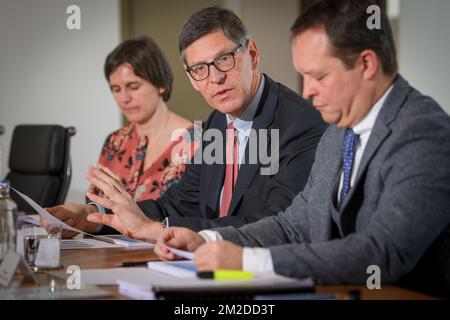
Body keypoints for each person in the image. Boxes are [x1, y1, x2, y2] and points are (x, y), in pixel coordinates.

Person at [154, 0, 450, 297]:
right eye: (304, 76)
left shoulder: (423, 132)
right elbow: (294, 225)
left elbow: (382, 252)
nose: (307, 90)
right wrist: (208, 239)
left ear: (366, 65)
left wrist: (249, 260)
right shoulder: (339, 131)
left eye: (319, 76)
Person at [44, 7, 326, 242]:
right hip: (205, 267)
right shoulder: (217, 122)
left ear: (252, 54)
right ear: (191, 79)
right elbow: (176, 203)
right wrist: (92, 217)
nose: (214, 79)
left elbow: (274, 224)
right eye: (200, 69)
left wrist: (161, 230)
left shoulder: (301, 124)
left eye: (223, 60)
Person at [93, 36, 197, 202]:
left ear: (161, 84)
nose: (124, 98)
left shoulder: (196, 142)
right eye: (116, 89)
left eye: (133, 86)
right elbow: (95, 203)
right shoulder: (114, 142)